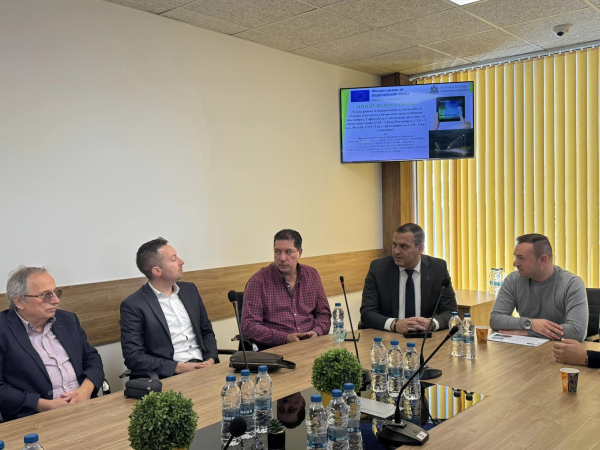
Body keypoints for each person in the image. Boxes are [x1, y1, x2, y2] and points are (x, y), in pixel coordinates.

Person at [0, 266, 104, 422]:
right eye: (46, 295)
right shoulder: (3, 330)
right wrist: (41, 405)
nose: (56, 300)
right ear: (19, 301)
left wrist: (86, 389)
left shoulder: (68, 320)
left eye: (56, 292)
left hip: (85, 407)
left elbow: (92, 358)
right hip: (34, 419)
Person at [120, 238, 218, 379]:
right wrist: (178, 368)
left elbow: (206, 331)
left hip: (205, 368)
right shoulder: (134, 305)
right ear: (157, 271)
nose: (181, 262)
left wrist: (211, 359)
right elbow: (133, 357)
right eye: (174, 259)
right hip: (170, 375)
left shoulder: (190, 290)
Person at [240, 229, 331, 350]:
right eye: (277, 252)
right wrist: (284, 338)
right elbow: (248, 326)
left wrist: (317, 332)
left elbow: (324, 314)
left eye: (288, 252)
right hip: (276, 350)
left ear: (300, 253)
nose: (282, 258)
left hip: (311, 346)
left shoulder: (312, 275)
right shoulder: (258, 281)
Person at [360, 223, 457, 333]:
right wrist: (394, 325)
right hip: (390, 336)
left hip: (426, 338)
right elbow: (367, 313)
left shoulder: (438, 268)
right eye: (394, 245)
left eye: (403, 246)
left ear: (420, 248)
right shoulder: (378, 269)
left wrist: (431, 323)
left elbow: (450, 312)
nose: (396, 251)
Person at [489, 233, 588, 342]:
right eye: (516, 257)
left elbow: (577, 331)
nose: (515, 263)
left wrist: (528, 332)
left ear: (542, 260)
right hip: (526, 347)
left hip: (560, 347)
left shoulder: (571, 284)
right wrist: (530, 323)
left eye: (521, 258)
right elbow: (495, 319)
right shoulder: (512, 280)